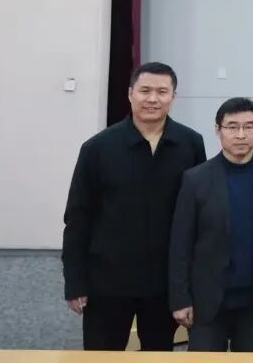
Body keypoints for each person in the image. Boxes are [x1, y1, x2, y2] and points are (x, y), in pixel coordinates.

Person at [62, 62, 207, 351]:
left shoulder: (190, 144)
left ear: (173, 97)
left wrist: (192, 282)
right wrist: (75, 281)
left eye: (162, 92)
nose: (153, 99)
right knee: (103, 355)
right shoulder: (98, 148)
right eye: (145, 91)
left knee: (158, 353)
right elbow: (78, 217)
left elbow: (199, 216)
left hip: (165, 283)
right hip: (108, 282)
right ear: (130, 94)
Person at [169, 98, 253, 351]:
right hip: (207, 300)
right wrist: (180, 298)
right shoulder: (195, 179)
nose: (240, 135)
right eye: (232, 127)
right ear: (218, 130)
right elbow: (181, 243)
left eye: (248, 126)